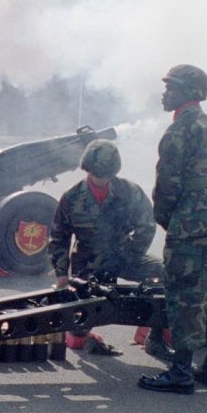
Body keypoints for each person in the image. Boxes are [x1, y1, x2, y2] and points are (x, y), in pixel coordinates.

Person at [139, 64, 207, 394]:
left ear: (189, 93)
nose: (165, 93)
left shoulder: (178, 132)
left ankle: (181, 371)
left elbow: (167, 186)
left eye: (172, 87)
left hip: (191, 227)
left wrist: (172, 221)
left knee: (187, 296)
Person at [47, 139, 165, 357]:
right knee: (81, 320)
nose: (101, 181)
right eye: (97, 175)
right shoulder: (72, 198)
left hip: (125, 255)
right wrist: (62, 275)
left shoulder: (130, 192)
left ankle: (155, 337)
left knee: (164, 273)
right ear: (88, 170)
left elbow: (146, 227)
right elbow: (59, 237)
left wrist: (124, 257)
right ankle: (81, 333)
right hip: (89, 261)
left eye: (106, 176)